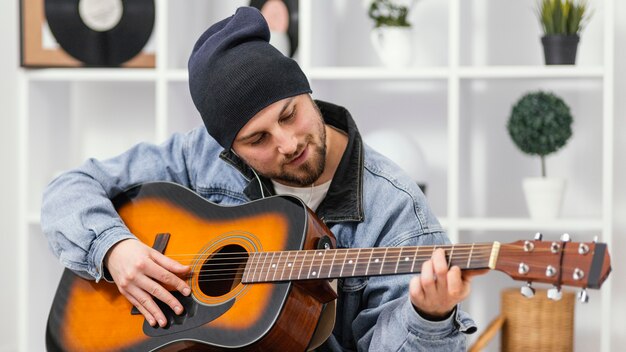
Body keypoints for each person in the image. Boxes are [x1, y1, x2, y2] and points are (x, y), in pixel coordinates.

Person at [41, 7, 481, 351]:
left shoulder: (395, 208)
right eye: (258, 139)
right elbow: (69, 188)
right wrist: (114, 249)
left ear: (307, 91)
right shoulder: (199, 155)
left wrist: (430, 315)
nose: (288, 143)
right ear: (230, 150)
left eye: (290, 114)